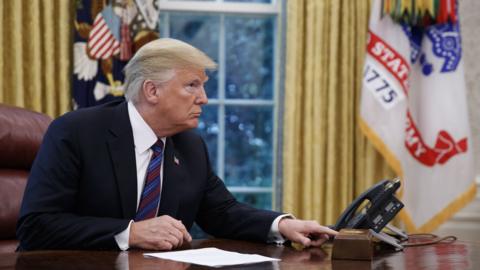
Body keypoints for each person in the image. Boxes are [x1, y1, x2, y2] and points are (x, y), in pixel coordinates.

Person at [16, 38, 337, 251]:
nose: (204, 98)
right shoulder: (76, 132)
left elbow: (221, 212)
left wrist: (283, 225)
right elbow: (37, 226)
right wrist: (131, 232)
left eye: (203, 86)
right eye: (192, 85)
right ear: (152, 91)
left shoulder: (189, 145)